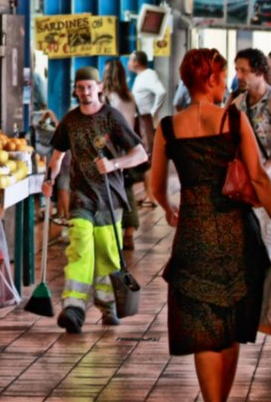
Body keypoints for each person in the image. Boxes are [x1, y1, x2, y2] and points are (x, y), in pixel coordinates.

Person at [150, 48, 271, 402]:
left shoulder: (168, 128)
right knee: (228, 328)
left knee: (204, 330)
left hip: (193, 237)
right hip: (235, 236)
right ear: (213, 79)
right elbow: (260, 179)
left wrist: (171, 209)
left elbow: (156, 186)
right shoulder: (232, 120)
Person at [40, 66, 147, 333]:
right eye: (80, 88)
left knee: (108, 254)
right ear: (75, 90)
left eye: (90, 87)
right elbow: (57, 156)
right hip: (81, 199)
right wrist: (49, 179)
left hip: (111, 200)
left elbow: (141, 154)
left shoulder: (112, 118)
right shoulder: (70, 120)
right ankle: (73, 308)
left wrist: (114, 164)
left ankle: (108, 305)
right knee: (80, 249)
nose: (85, 92)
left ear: (99, 87)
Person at [232, 48, 271, 261]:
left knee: (270, 240)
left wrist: (262, 172)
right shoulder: (237, 102)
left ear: (259, 71)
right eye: (236, 70)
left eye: (243, 70)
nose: (238, 76)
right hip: (244, 183)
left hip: (269, 181)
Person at [102, 58, 141, 250]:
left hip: (112, 150)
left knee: (111, 190)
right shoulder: (129, 97)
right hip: (130, 148)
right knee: (128, 189)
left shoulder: (107, 99)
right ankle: (129, 232)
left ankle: (111, 231)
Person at [127, 50, 165, 210]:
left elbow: (161, 92)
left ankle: (152, 196)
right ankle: (147, 193)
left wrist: (153, 111)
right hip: (140, 119)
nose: (128, 62)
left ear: (136, 62)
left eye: (130, 59)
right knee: (143, 156)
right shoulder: (141, 77)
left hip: (144, 119)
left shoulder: (148, 74)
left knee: (147, 157)